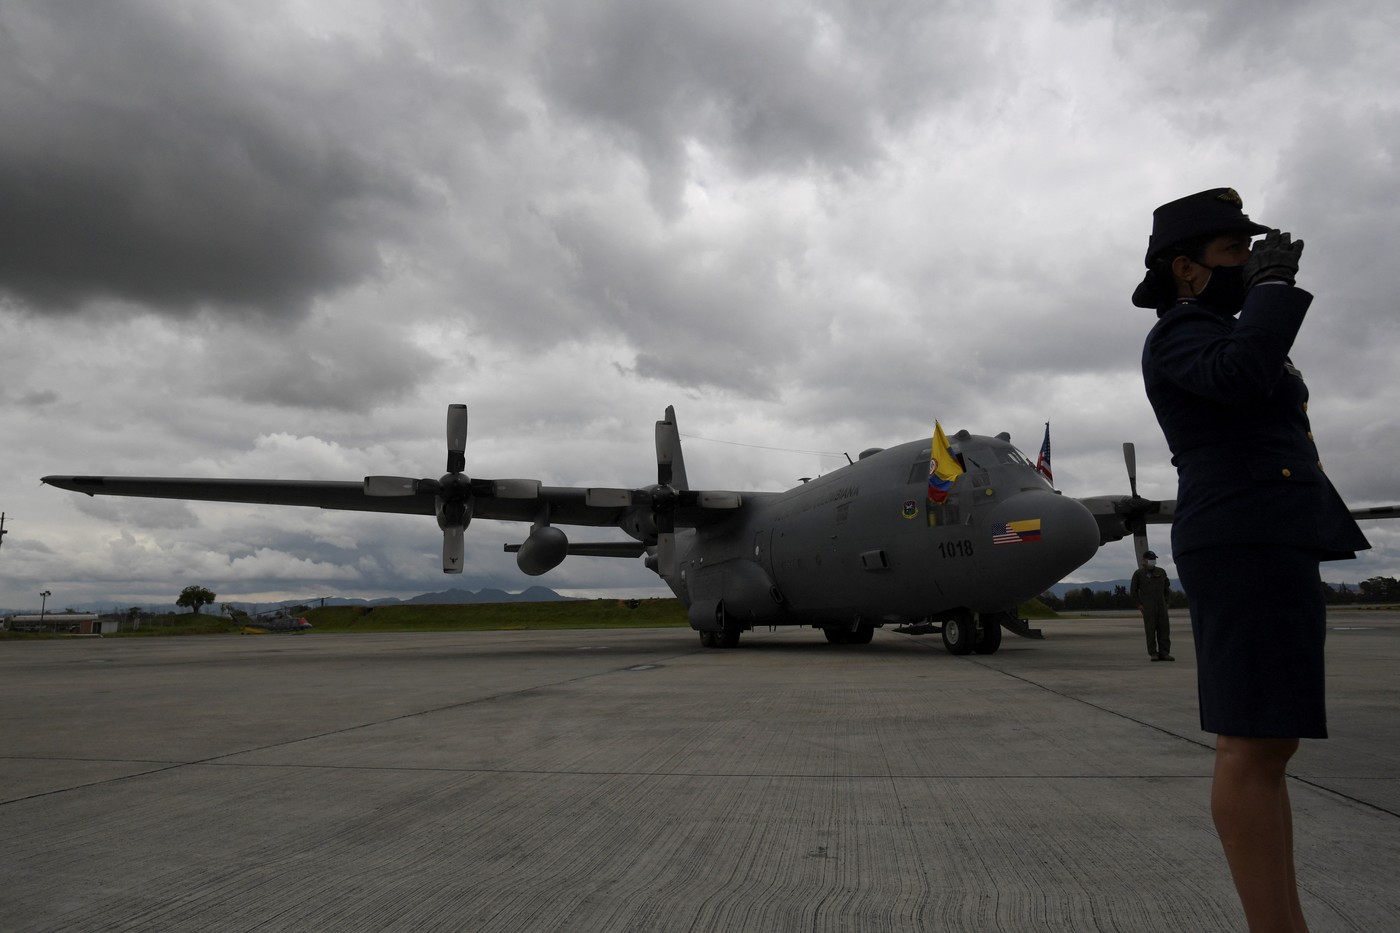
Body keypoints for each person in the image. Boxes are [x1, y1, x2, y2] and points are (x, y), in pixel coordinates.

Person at [1133, 187, 1370, 932]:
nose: (1251, 262)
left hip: (1268, 531)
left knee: (1271, 738)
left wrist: (1263, 296)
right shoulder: (1180, 335)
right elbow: (1239, 376)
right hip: (1242, 535)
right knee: (1251, 737)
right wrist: (1269, 293)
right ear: (1187, 270)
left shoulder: (1222, 331)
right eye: (1235, 251)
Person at [1130, 549, 1172, 661]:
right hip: (1148, 606)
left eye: (1154, 559)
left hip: (1161, 605)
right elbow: (1133, 591)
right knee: (1150, 630)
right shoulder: (1138, 574)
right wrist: (1139, 605)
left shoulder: (1161, 572)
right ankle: (1153, 653)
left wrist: (1166, 602)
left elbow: (1167, 589)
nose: (1153, 561)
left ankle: (1165, 653)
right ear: (1144, 561)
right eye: (1150, 559)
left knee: (1164, 629)